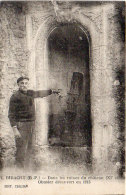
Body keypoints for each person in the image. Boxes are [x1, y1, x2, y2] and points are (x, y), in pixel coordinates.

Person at [8, 76, 59, 168]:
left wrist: (51, 91)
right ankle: (19, 172)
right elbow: (11, 114)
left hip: (31, 124)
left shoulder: (30, 93)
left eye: (26, 83)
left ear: (28, 84)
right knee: (21, 149)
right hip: (21, 125)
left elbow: (39, 93)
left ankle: (27, 170)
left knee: (30, 148)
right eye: (22, 83)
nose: (24, 85)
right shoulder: (15, 96)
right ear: (18, 85)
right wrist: (15, 129)